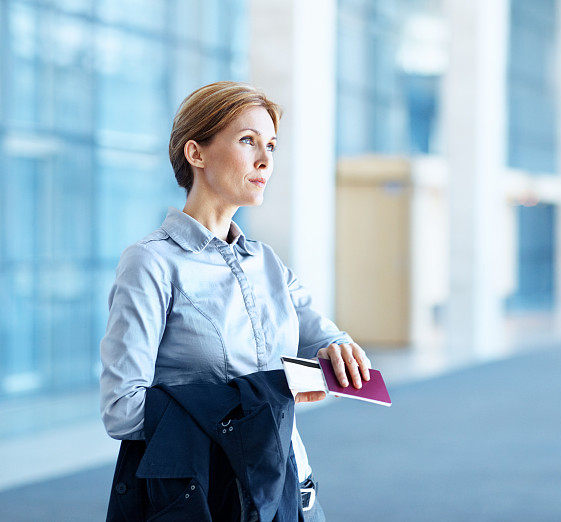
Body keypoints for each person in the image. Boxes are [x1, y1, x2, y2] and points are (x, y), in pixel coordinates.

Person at [99, 80, 371, 520]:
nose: (265, 160)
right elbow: (122, 410)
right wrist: (260, 395)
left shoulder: (268, 264)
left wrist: (341, 354)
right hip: (216, 501)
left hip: (295, 497)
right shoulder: (150, 263)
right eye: (248, 142)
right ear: (196, 153)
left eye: (272, 146)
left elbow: (330, 346)